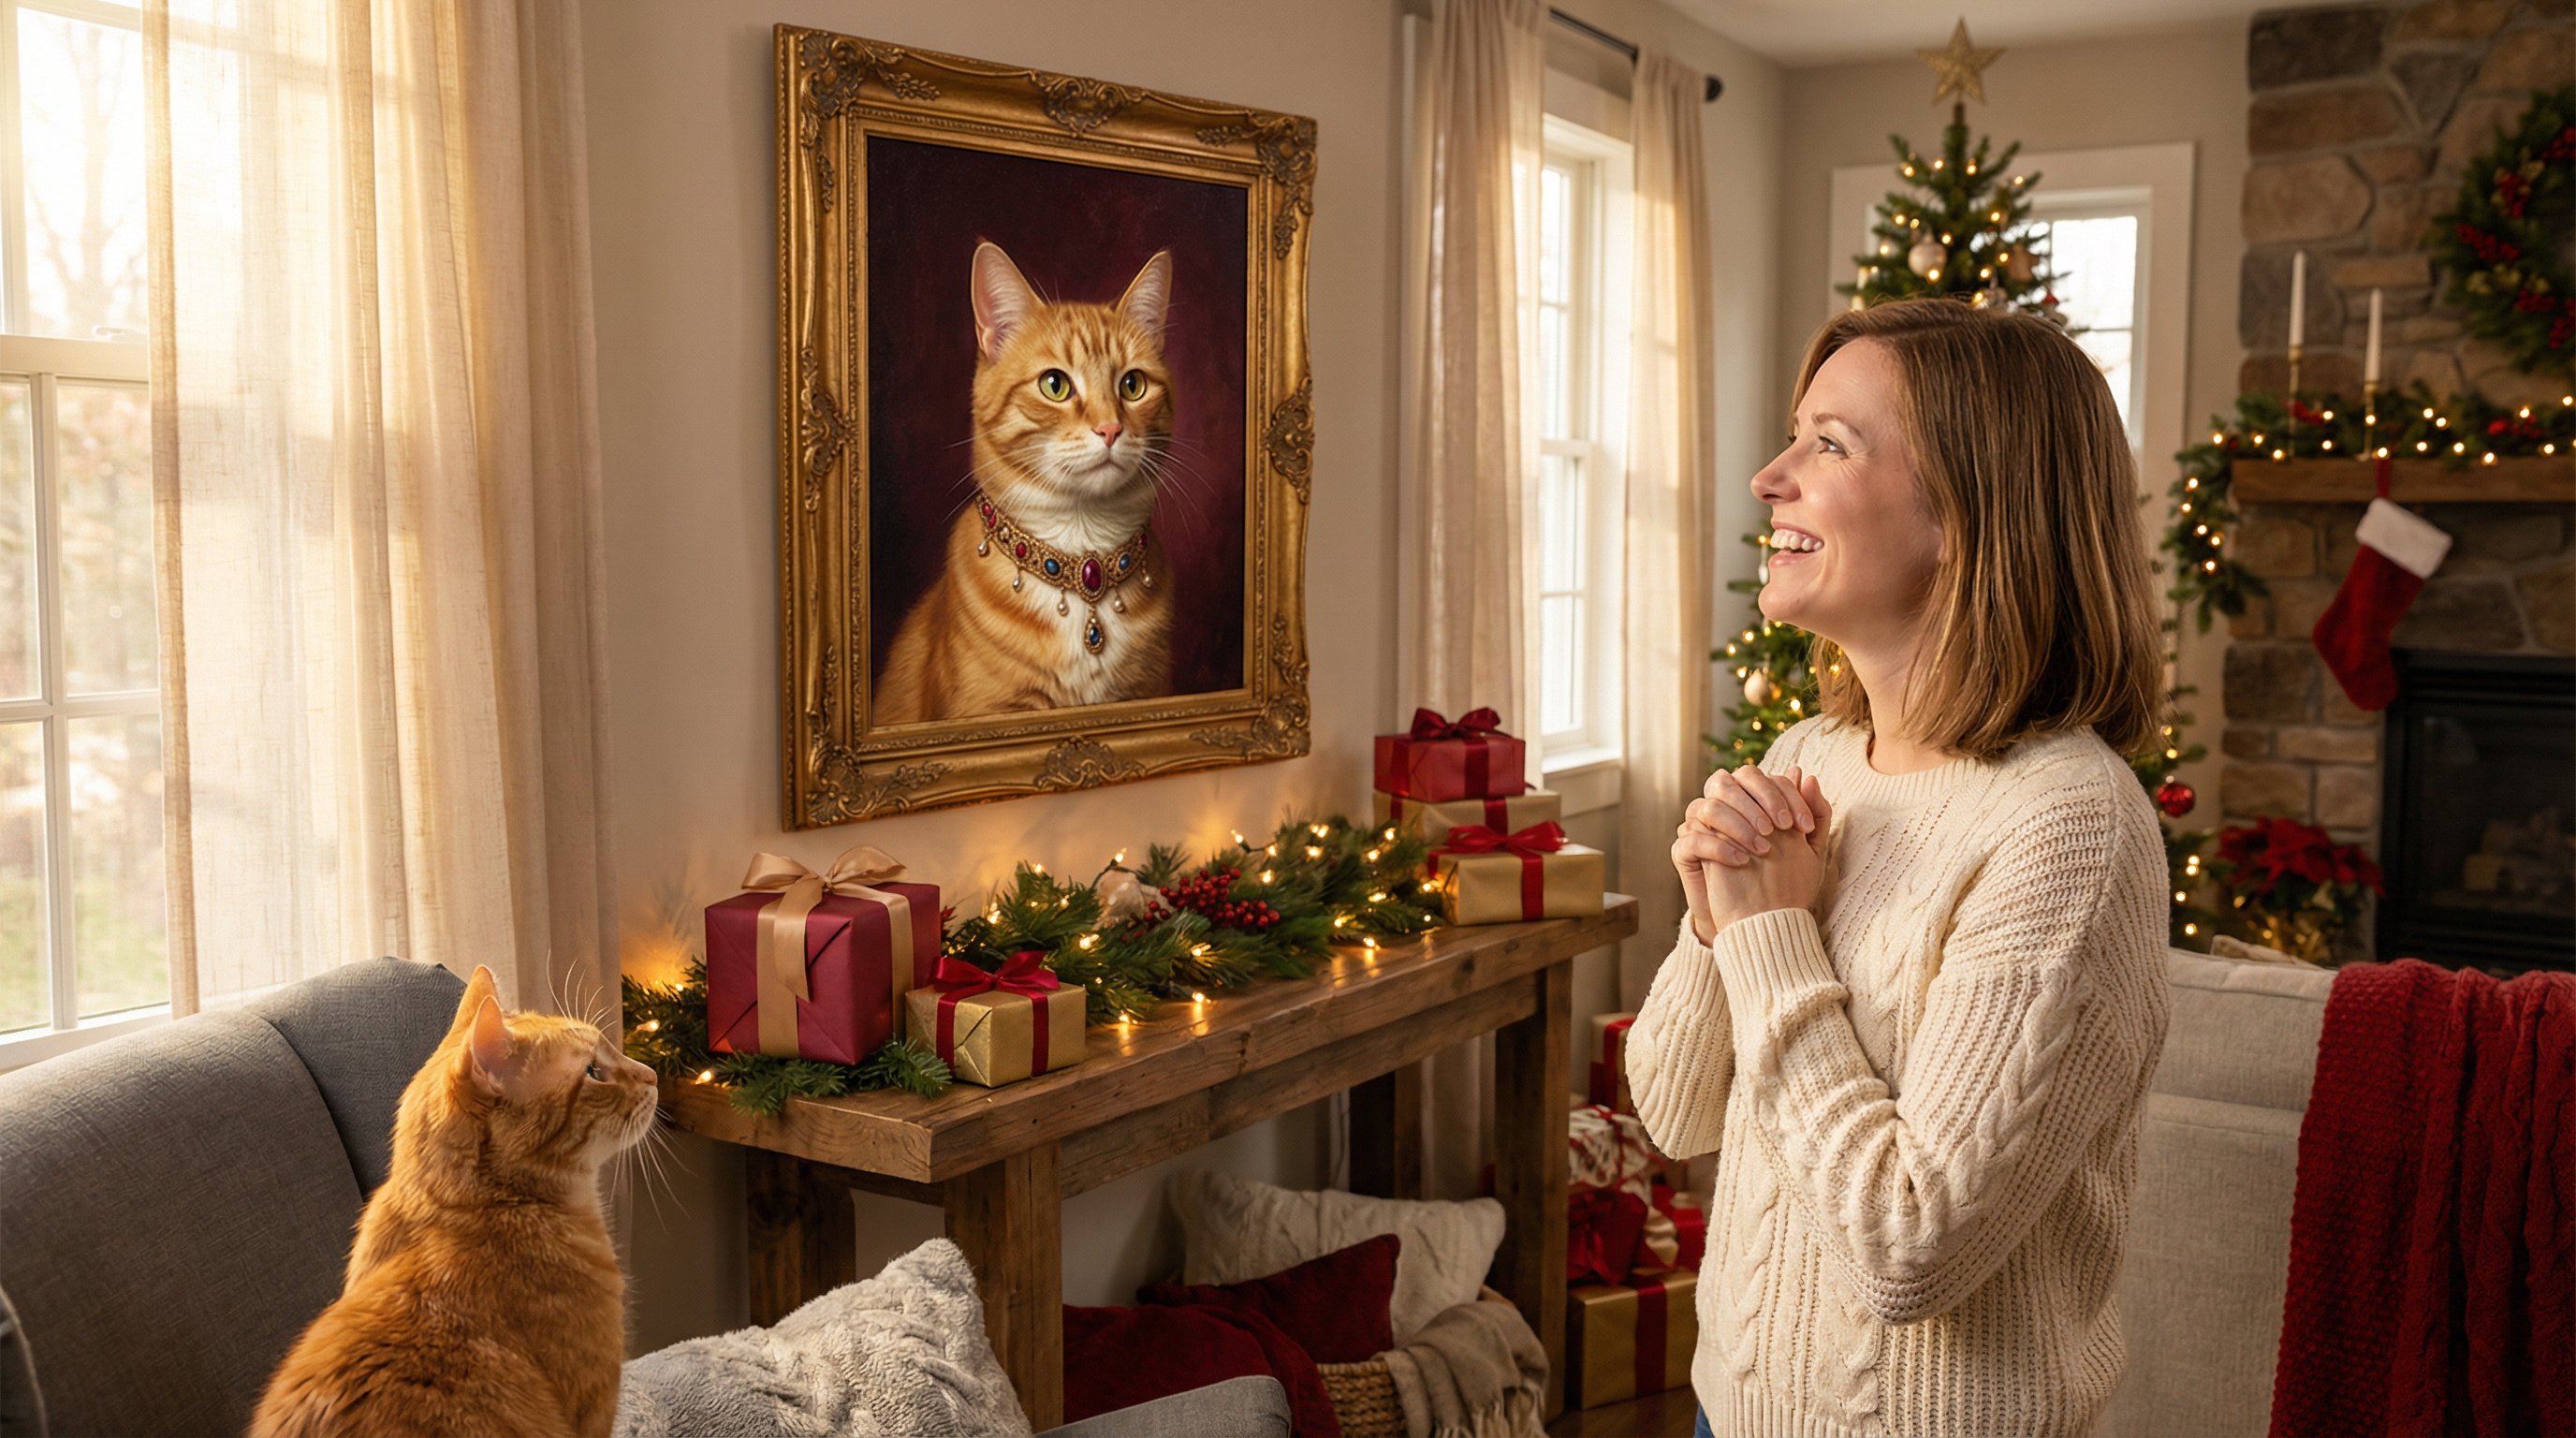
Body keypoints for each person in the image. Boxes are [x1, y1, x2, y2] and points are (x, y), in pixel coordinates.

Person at [1625, 298, 2174, 1438]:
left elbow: (1909, 1252)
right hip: (1728, 1415)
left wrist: (1768, 935)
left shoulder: (2070, 827)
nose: (1768, 479)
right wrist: (1716, 923)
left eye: (1829, 445)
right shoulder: (1809, 757)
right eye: (1794, 437)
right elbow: (1674, 1114)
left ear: (1968, 514)